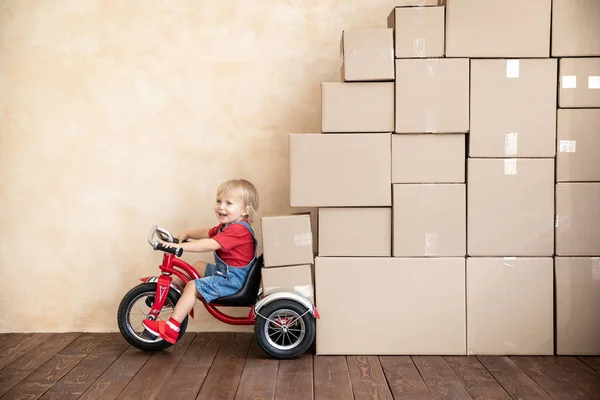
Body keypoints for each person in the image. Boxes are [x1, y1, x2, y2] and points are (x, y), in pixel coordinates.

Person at [142, 179, 259, 344]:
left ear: (245, 210)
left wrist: (178, 246)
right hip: (228, 274)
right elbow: (208, 233)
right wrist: (188, 234)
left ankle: (172, 328)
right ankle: (171, 295)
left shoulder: (239, 230)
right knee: (198, 267)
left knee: (193, 286)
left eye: (229, 203)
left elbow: (210, 244)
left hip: (233, 282)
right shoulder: (227, 226)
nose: (221, 206)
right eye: (219, 201)